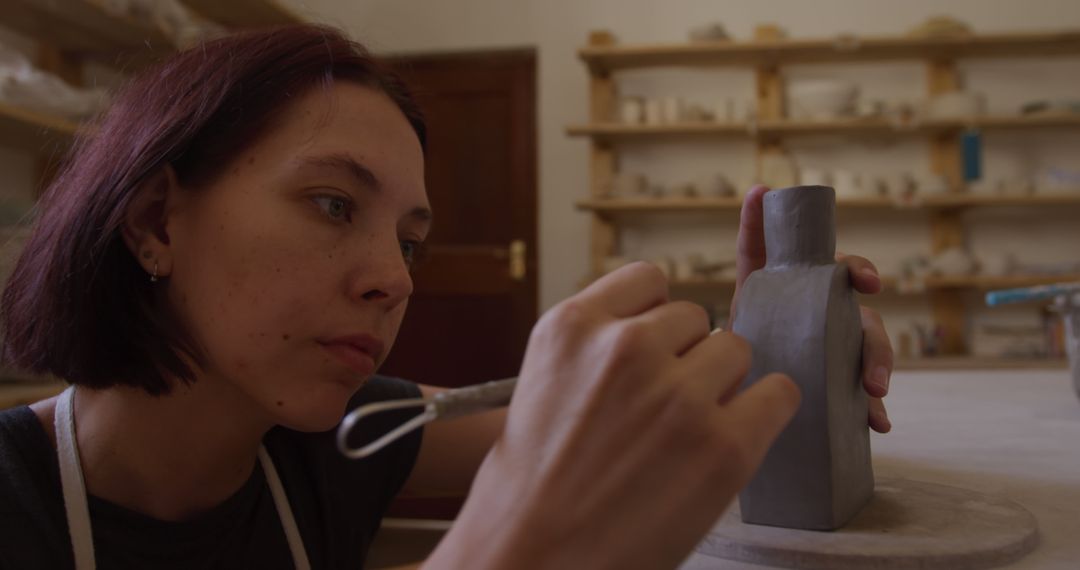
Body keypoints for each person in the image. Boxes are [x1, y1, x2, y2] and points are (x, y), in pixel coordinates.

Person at [0, 24, 893, 569]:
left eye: (410, 243)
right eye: (332, 203)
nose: (393, 279)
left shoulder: (338, 441)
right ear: (155, 219)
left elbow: (617, 426)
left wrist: (777, 337)